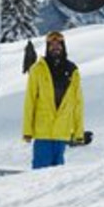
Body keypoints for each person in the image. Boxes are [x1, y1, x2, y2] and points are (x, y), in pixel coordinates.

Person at [22, 31, 85, 169]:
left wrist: (78, 133)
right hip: (43, 131)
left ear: (63, 46)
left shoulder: (72, 70)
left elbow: (77, 103)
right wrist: (27, 130)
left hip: (61, 131)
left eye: (58, 44)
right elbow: (30, 101)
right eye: (52, 44)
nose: (55, 47)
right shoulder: (38, 69)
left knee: (56, 176)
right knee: (40, 171)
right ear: (47, 46)